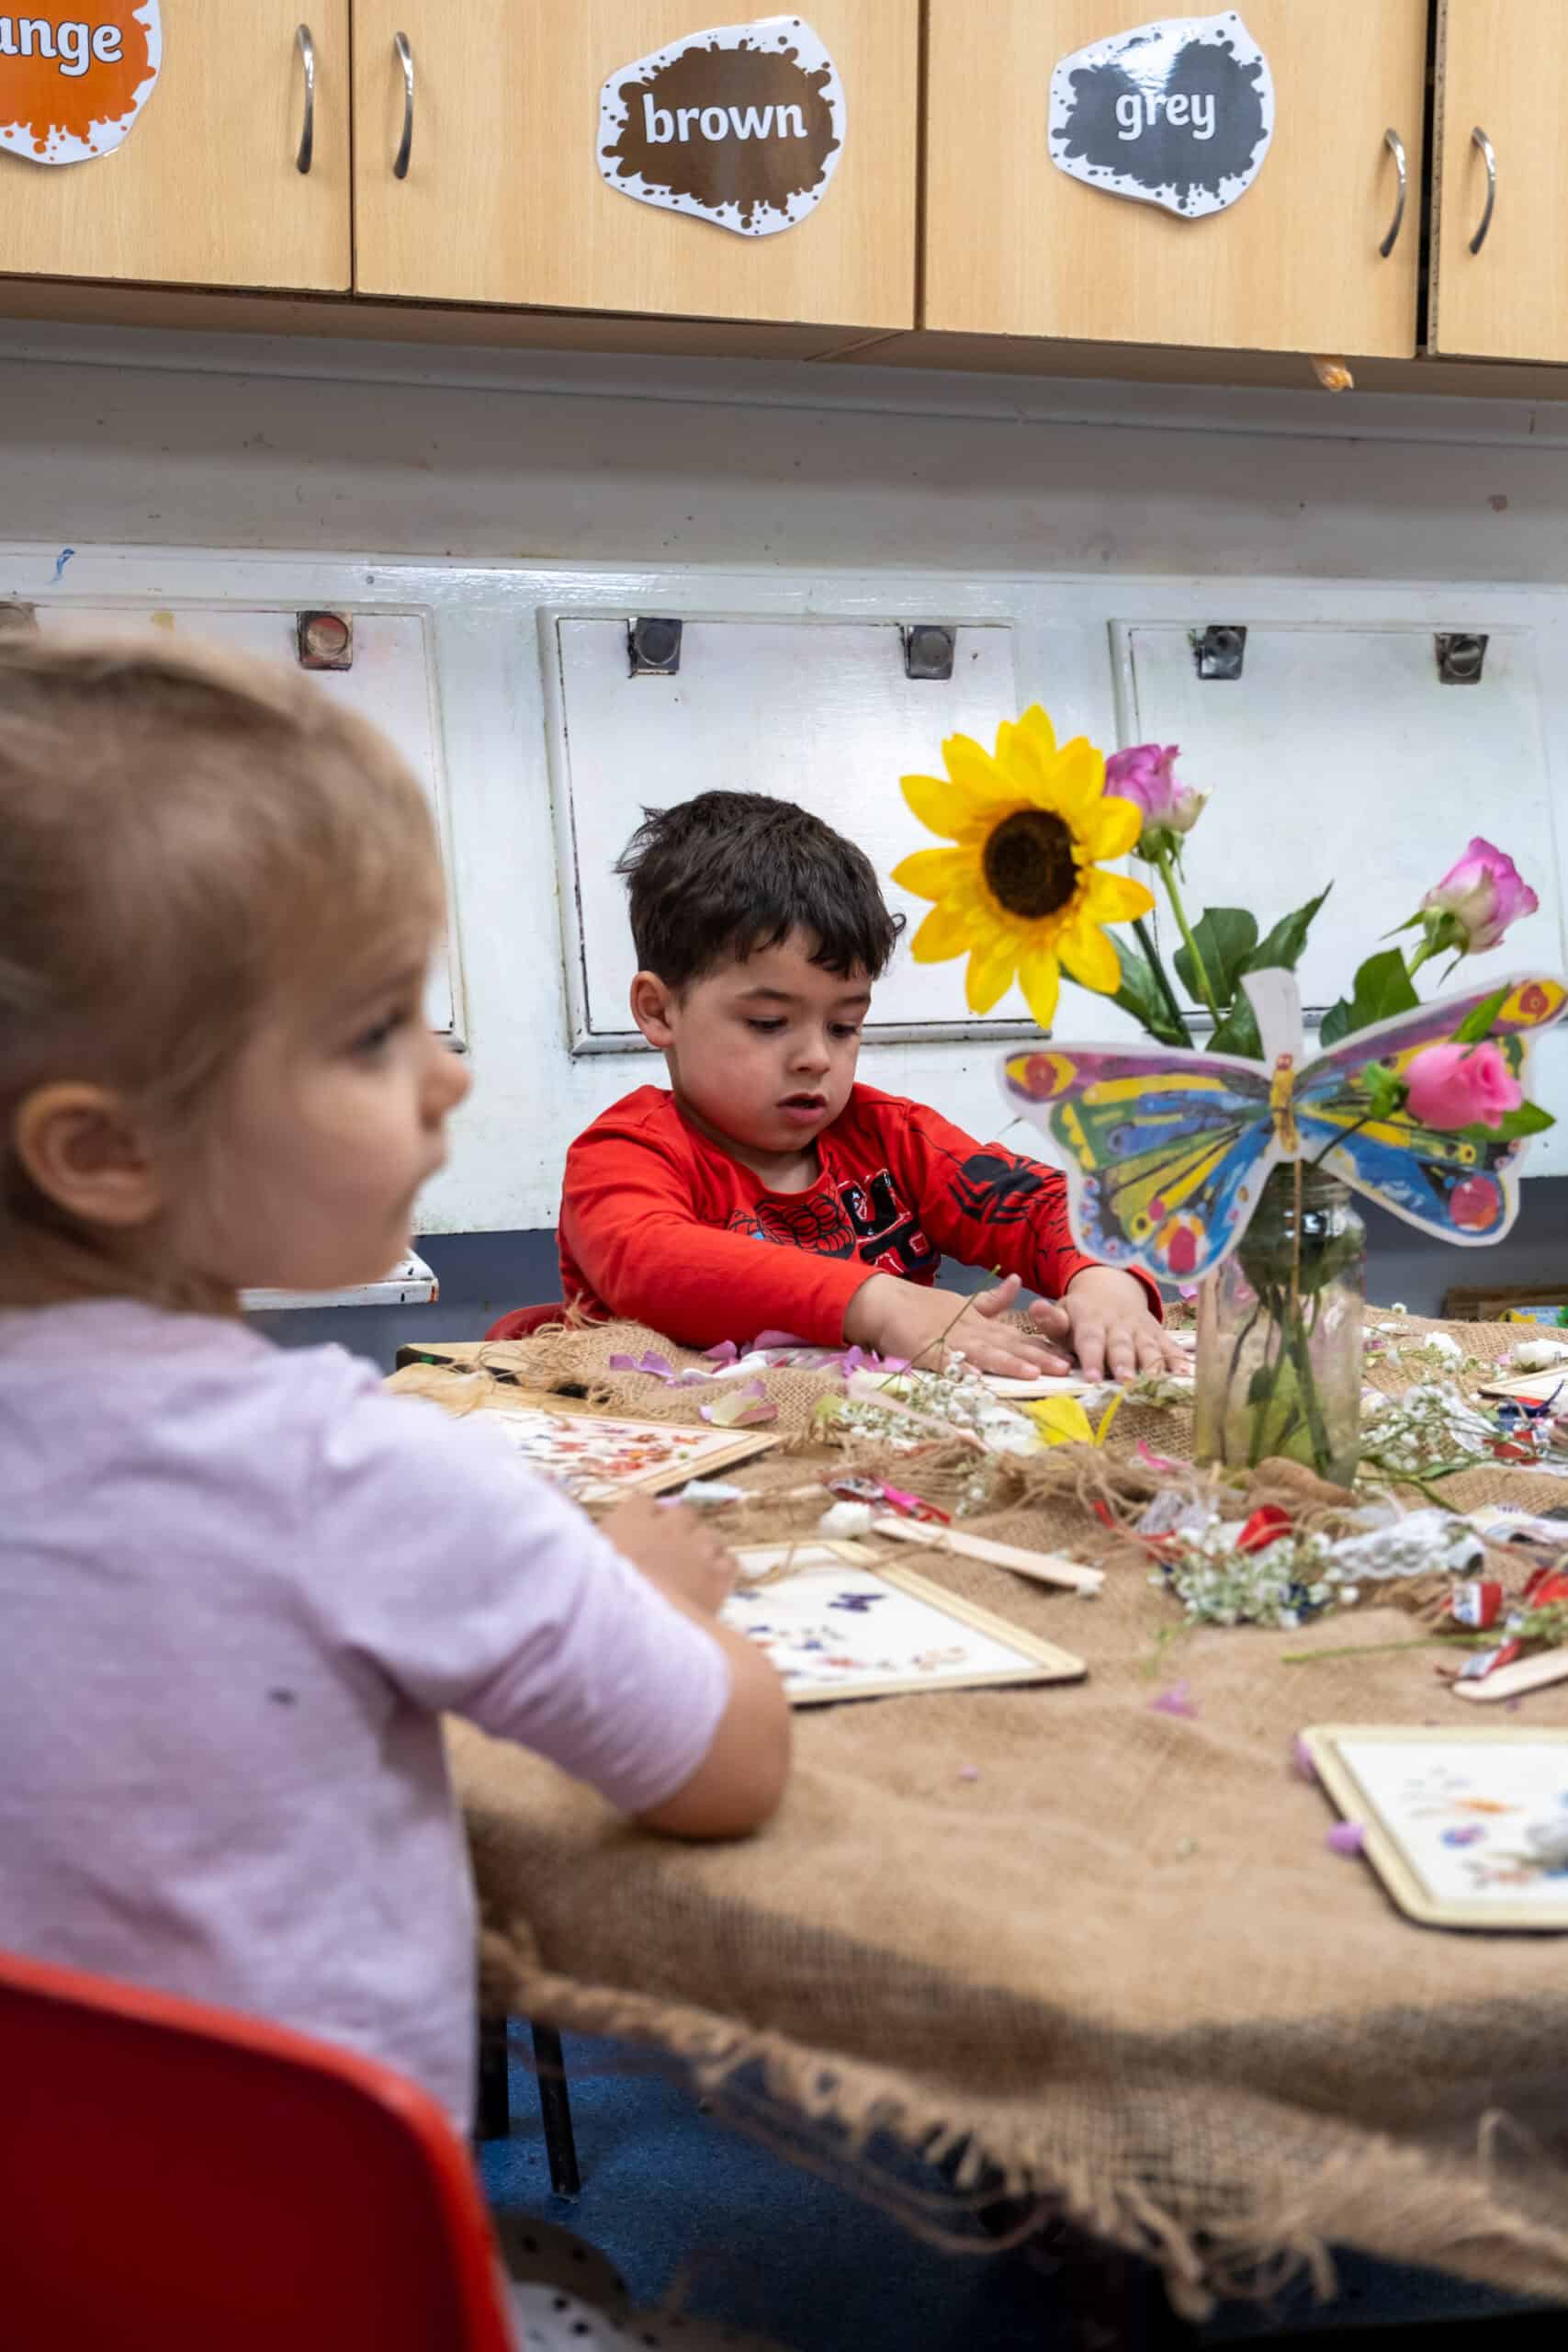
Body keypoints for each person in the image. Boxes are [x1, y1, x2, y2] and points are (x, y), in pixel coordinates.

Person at [0, 637, 790, 2156]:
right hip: (334, 2279)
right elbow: (724, 1769)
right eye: (374, 1031)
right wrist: (646, 1588)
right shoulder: (352, 1476)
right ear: (103, 1154)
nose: (448, 1078)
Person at [558, 792, 1186, 1382]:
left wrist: (1106, 1281)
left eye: (843, 1025)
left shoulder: (890, 1137)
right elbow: (649, 1260)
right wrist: (878, 1304)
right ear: (659, 1010)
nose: (815, 1058)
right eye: (769, 1023)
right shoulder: (623, 1154)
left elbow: (1042, 1205)